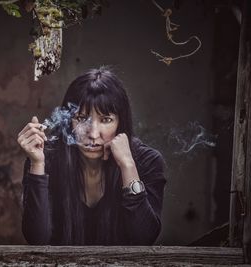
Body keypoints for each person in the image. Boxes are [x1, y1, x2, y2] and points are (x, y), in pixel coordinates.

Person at [17, 66, 166, 245]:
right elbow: (37, 239)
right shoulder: (47, 158)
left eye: (106, 120)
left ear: (121, 123)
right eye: (81, 118)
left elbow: (144, 239)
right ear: (68, 122)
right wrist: (37, 164)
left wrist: (128, 166)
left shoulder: (146, 161)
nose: (94, 133)